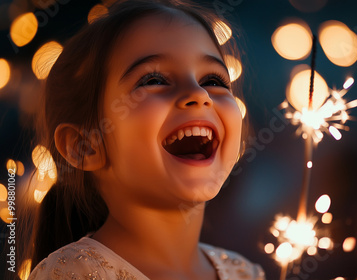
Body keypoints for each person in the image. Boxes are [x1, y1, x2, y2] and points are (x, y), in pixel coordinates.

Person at [18, 0, 265, 279]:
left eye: (213, 80)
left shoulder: (247, 273)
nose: (199, 94)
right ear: (84, 145)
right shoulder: (72, 274)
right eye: (153, 79)